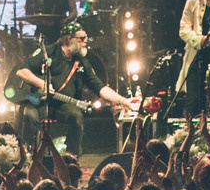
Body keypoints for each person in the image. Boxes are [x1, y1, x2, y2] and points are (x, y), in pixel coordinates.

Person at [11, 23, 130, 158]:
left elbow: (100, 87)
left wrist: (124, 101)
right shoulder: (49, 52)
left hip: (63, 105)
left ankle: (72, 159)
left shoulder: (82, 61)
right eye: (82, 38)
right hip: (39, 103)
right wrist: (41, 83)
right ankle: (27, 157)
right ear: (69, 39)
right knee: (29, 116)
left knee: (76, 116)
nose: (86, 40)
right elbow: (21, 71)